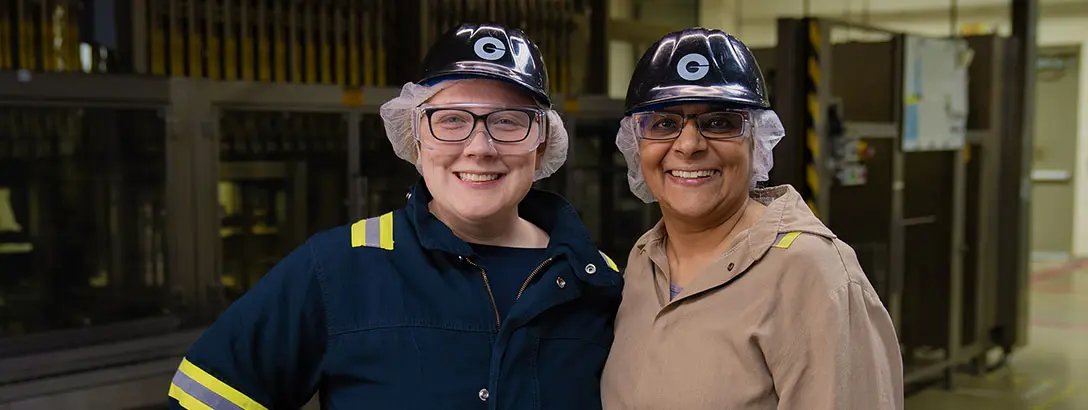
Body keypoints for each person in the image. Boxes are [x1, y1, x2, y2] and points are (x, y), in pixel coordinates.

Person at [168, 23, 622, 410]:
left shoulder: (597, 282)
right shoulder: (339, 267)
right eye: (451, 120)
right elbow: (205, 396)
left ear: (541, 142)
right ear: (415, 136)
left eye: (507, 121)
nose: (479, 148)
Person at [600, 28, 903, 409]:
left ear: (757, 140)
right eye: (664, 124)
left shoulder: (812, 274)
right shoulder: (645, 260)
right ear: (635, 143)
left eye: (720, 122)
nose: (689, 145)